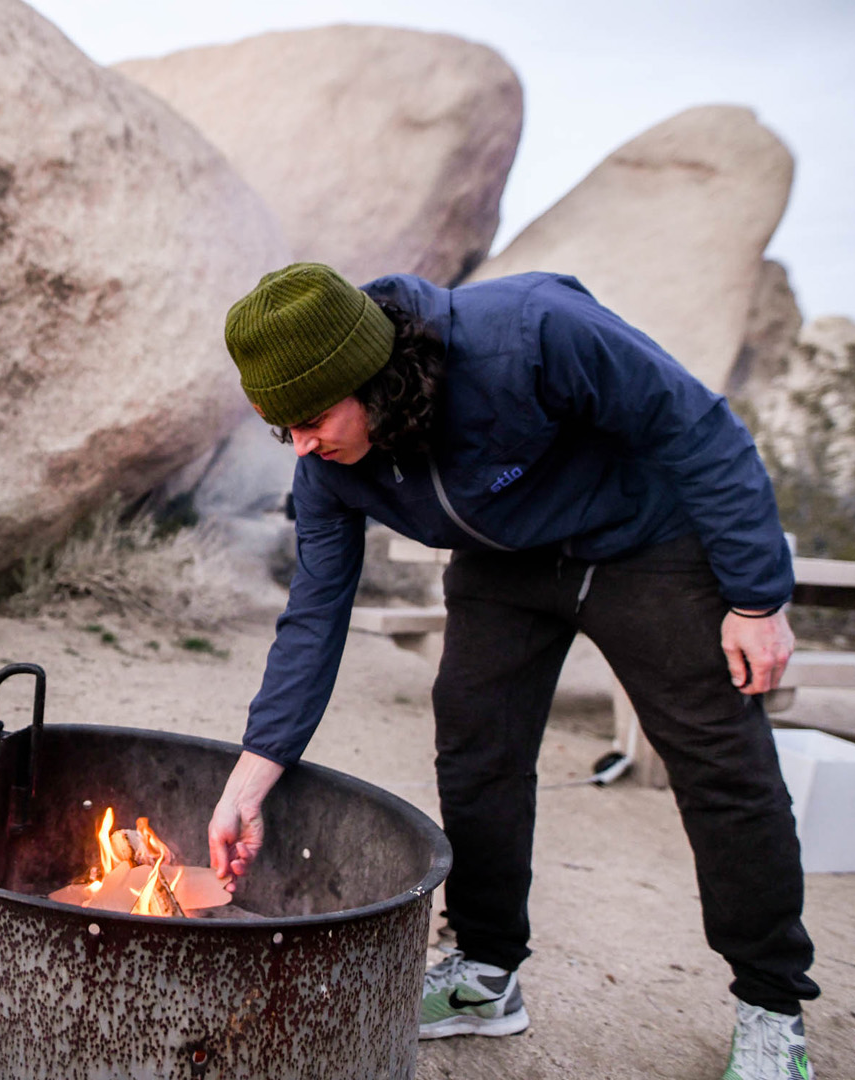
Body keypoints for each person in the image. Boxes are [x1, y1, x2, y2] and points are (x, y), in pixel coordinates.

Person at [206, 263, 818, 1080]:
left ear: (372, 377)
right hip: (506, 563)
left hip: (647, 544)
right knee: (475, 748)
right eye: (286, 432)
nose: (306, 448)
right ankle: (488, 973)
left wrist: (755, 597)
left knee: (719, 763)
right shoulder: (330, 470)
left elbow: (696, 426)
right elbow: (313, 619)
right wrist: (251, 777)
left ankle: (771, 1004)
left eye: (313, 419)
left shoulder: (530, 332)